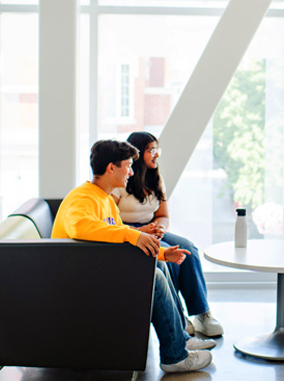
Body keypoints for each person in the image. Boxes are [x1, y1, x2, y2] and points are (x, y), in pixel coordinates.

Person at [50, 139, 215, 373]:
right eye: (127, 166)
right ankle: (175, 355)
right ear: (111, 168)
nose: (130, 172)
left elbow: (119, 240)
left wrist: (164, 253)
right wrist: (131, 234)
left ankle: (179, 342)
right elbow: (80, 227)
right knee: (154, 277)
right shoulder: (83, 198)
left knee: (160, 267)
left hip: (94, 271)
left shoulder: (106, 200)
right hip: (79, 282)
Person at [111, 131, 224, 337]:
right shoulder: (121, 181)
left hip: (152, 228)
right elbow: (111, 224)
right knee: (167, 255)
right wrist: (139, 231)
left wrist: (160, 228)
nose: (156, 154)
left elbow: (162, 214)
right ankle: (178, 316)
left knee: (188, 249)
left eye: (157, 149)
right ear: (136, 154)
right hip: (128, 233)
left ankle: (201, 313)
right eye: (150, 150)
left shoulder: (156, 179)